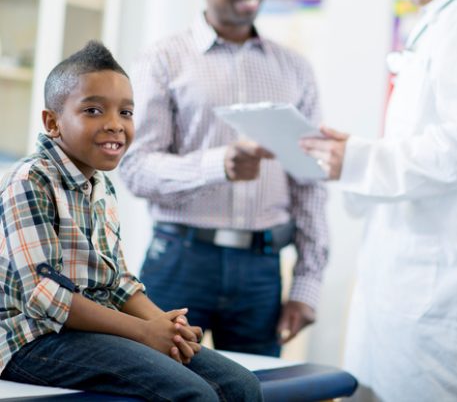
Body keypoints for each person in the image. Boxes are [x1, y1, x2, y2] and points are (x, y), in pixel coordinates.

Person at [301, 0, 457, 400]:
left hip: (443, 300)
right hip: (414, 289)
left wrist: (362, 159)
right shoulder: (447, 17)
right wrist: (360, 155)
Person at [0, 41, 263, 401]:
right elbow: (46, 297)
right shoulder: (30, 180)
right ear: (53, 122)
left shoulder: (101, 185)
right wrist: (143, 333)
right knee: (191, 394)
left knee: (241, 387)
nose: (115, 125)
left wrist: (167, 327)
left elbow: (118, 283)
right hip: (31, 338)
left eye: (126, 113)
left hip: (86, 332)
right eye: (93, 110)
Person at [119, 0, 329, 357]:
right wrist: (219, 165)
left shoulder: (296, 70)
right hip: (179, 259)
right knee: (159, 386)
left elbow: (310, 180)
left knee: (253, 389)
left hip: (262, 269)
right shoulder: (162, 59)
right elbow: (136, 168)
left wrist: (308, 284)